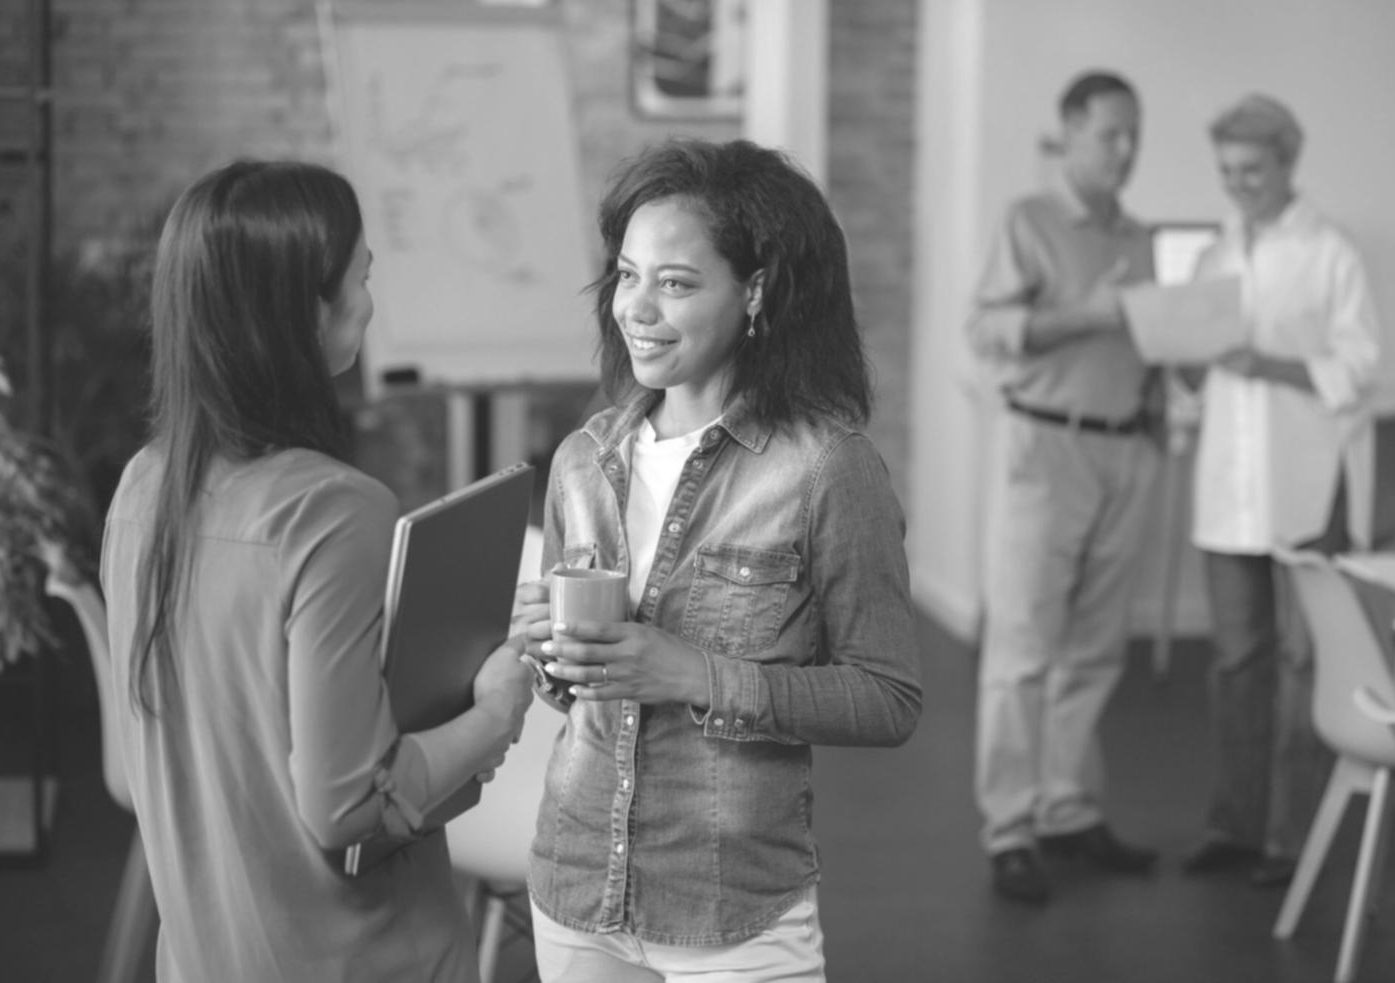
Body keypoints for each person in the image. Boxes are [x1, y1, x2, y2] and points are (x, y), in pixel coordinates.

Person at [100, 159, 536, 981]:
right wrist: (497, 708)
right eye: (361, 279)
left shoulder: (140, 488)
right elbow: (350, 804)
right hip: (359, 957)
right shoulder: (335, 511)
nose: (370, 306)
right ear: (307, 309)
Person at [517, 137, 922, 981]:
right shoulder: (583, 460)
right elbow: (575, 698)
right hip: (576, 886)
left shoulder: (825, 468)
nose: (636, 308)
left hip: (733, 910)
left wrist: (697, 672)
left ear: (757, 292)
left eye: (675, 283)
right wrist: (549, 657)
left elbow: (888, 697)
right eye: (627, 275)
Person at [967, 70, 1162, 906]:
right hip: (1046, 448)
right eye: (1110, 133)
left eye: (1134, 135)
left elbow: (1142, 343)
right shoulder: (1030, 221)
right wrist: (1092, 311)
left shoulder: (1145, 238)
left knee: (1094, 647)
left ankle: (1068, 808)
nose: (1125, 150)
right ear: (1071, 131)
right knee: (1022, 649)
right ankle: (1011, 826)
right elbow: (987, 330)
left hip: (1128, 452)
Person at [1178, 94, 1381, 888]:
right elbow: (1198, 373)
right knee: (1237, 663)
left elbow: (1359, 363)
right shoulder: (1214, 255)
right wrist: (1185, 360)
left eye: (1253, 170)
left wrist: (1275, 365)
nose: (1239, 186)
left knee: (1302, 664)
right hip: (1229, 491)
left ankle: (1290, 838)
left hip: (1307, 488)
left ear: (1289, 162)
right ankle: (1235, 824)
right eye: (1228, 172)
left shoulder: (1332, 252)